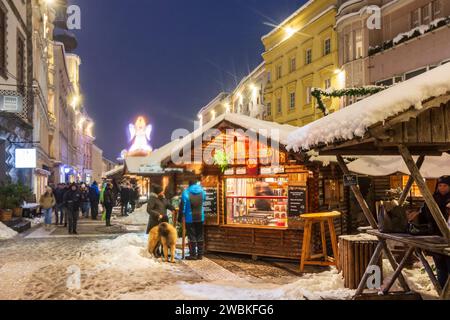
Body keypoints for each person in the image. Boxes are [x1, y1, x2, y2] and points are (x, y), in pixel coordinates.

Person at [419, 175, 450, 289]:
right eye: (440, 185)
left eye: (445, 186)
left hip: (448, 239)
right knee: (440, 268)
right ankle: (442, 292)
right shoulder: (433, 198)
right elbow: (423, 213)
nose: (442, 188)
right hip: (435, 237)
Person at [181, 180, 206, 260]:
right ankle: (200, 254)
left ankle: (193, 255)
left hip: (189, 217)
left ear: (189, 184)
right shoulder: (202, 191)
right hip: (200, 216)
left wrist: (182, 216)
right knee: (200, 235)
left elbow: (183, 206)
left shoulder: (186, 192)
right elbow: (204, 201)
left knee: (192, 236)